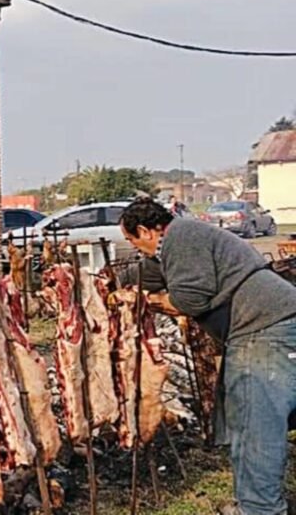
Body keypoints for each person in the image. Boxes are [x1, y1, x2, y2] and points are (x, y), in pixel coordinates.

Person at [119, 199, 296, 515]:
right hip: (268, 325)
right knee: (251, 420)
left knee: (256, 425)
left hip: (263, 329)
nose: (134, 247)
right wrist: (113, 281)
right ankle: (254, 504)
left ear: (146, 230)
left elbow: (190, 299)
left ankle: (261, 509)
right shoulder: (179, 241)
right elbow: (150, 271)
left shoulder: (182, 236)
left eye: (132, 240)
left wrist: (155, 300)